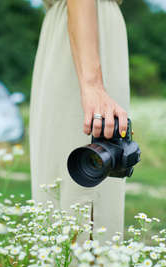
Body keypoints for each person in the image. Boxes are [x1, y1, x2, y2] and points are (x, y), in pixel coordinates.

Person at [29, 0, 130, 248]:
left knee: (87, 175)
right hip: (85, 33)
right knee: (83, 178)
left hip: (80, 32)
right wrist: (92, 83)